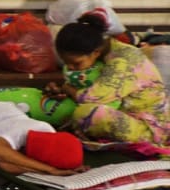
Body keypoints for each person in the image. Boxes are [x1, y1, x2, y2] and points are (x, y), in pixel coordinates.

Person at [46, 15, 170, 145]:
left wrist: (67, 88)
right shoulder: (104, 53)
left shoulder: (122, 60)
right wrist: (61, 90)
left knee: (87, 114)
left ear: (96, 52)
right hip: (125, 114)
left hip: (150, 128)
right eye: (66, 63)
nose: (70, 68)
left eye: (76, 63)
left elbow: (92, 98)